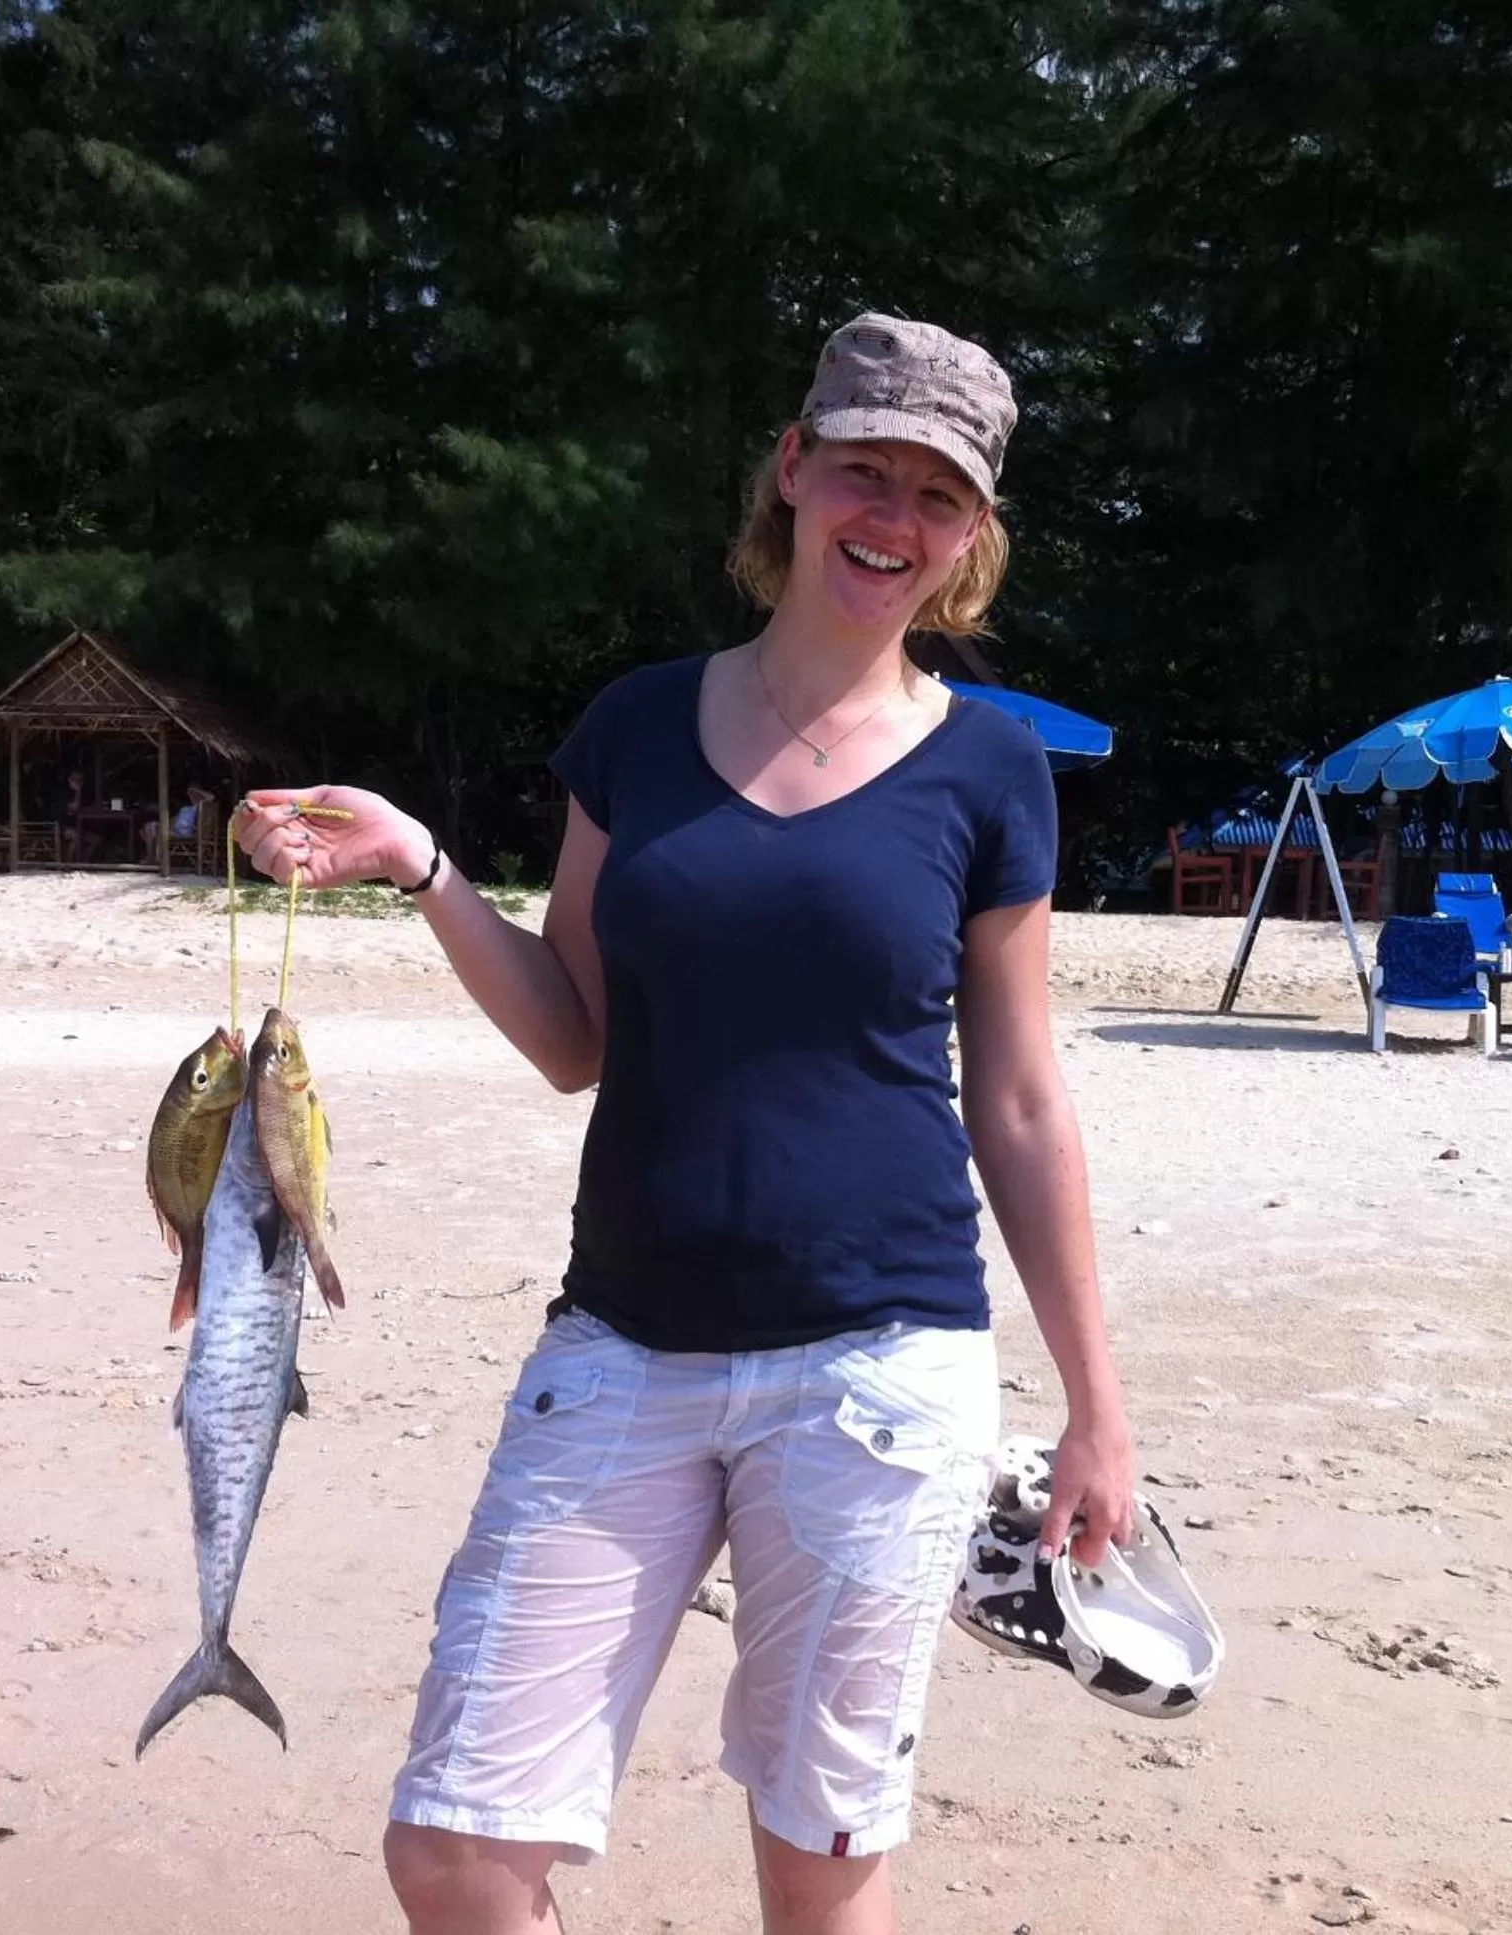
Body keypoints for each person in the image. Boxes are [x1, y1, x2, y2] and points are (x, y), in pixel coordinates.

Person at [233, 312, 1138, 1935]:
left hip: (879, 1370)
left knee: (820, 1870)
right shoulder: (637, 729)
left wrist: (1096, 1407)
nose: (895, 518)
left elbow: (1015, 1096)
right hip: (624, 1348)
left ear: (972, 536)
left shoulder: (995, 767)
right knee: (455, 1847)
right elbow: (577, 1037)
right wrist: (425, 866)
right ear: (792, 472)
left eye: (940, 496)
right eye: (866, 470)